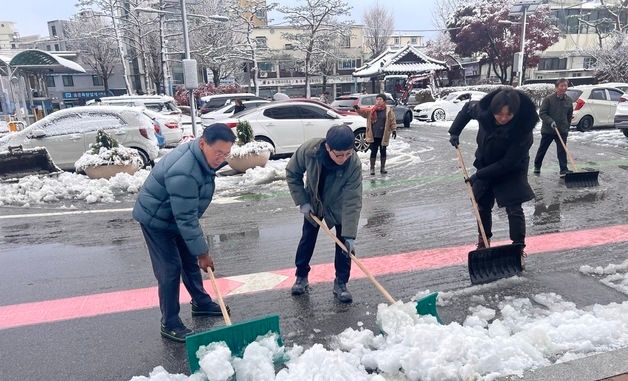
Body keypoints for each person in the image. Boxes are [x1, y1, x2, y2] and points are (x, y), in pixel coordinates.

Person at [132, 123, 235, 342]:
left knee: (189, 260)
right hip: (156, 219)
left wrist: (197, 252)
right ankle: (169, 322)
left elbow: (186, 216)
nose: (221, 158)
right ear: (202, 143)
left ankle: (201, 302)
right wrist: (204, 253)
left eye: (226, 153)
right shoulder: (185, 170)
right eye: (218, 152)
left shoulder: (202, 160)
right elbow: (186, 218)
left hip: (176, 214)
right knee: (170, 268)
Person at [448, 88, 538, 250]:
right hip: (486, 161)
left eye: (508, 115)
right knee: (481, 203)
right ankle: (484, 240)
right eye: (499, 114)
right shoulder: (483, 111)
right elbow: (467, 108)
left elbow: (507, 163)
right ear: (493, 110)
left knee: (514, 207)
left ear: (515, 113)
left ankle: (518, 246)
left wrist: (478, 175)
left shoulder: (523, 130)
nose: (503, 118)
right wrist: (455, 131)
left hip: (512, 169)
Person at [286, 125, 363, 303]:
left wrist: (350, 235)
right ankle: (301, 276)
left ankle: (341, 283)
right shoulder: (309, 151)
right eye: (339, 154)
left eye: (348, 153)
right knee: (307, 239)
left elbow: (353, 199)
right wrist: (302, 200)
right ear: (328, 147)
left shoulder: (353, 164)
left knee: (344, 246)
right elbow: (292, 173)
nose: (344, 159)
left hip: (340, 205)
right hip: (314, 202)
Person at [533, 78, 573, 177]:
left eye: (565, 86)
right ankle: (537, 166)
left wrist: (567, 126)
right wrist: (550, 121)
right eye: (561, 86)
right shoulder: (549, 99)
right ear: (556, 87)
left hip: (562, 130)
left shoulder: (568, 100)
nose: (564, 88)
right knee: (543, 149)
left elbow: (569, 114)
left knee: (562, 150)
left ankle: (563, 169)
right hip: (548, 130)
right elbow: (542, 113)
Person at [354, 93, 397, 175]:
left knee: (383, 151)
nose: (378, 101)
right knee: (373, 151)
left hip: (383, 135)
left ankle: (382, 168)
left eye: (380, 99)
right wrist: (358, 109)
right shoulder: (372, 110)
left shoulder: (388, 110)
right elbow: (363, 113)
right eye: (377, 99)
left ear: (384, 101)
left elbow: (392, 121)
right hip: (373, 134)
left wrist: (394, 130)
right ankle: (372, 169)